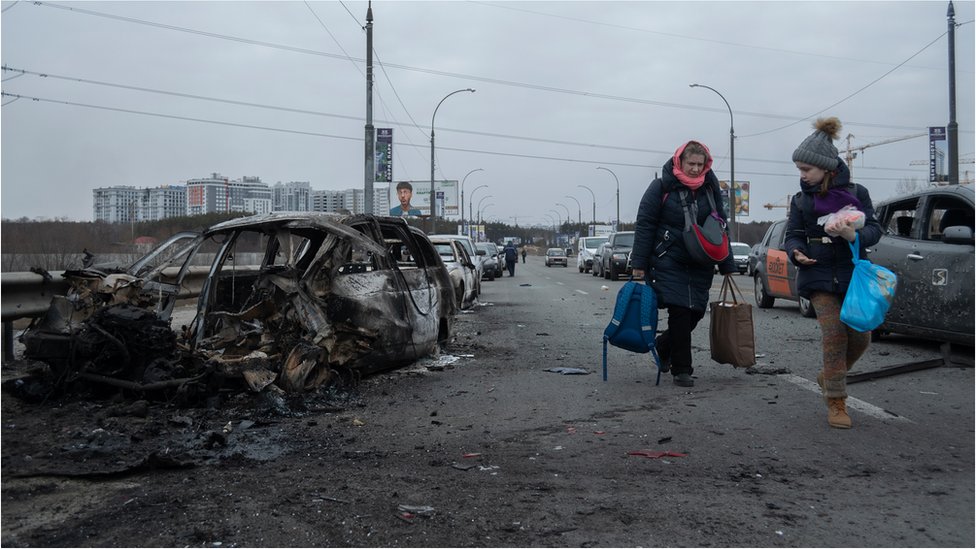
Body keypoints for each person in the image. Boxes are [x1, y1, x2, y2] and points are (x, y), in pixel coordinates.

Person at [784, 117, 882, 429]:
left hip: (852, 273)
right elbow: (794, 234)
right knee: (834, 333)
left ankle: (829, 375)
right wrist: (796, 252)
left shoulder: (858, 193)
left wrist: (854, 236)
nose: (802, 175)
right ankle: (836, 401)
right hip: (817, 274)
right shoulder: (801, 200)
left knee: (862, 338)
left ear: (827, 167)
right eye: (799, 169)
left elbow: (876, 229)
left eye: (806, 170)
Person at [630, 141, 737, 388]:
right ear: (680, 161)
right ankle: (682, 369)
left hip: (701, 261)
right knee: (680, 310)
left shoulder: (710, 188)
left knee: (696, 311)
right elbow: (645, 225)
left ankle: (663, 345)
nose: (695, 169)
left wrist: (728, 264)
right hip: (669, 258)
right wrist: (639, 264)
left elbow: (721, 225)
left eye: (700, 165)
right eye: (691, 163)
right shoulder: (661, 187)